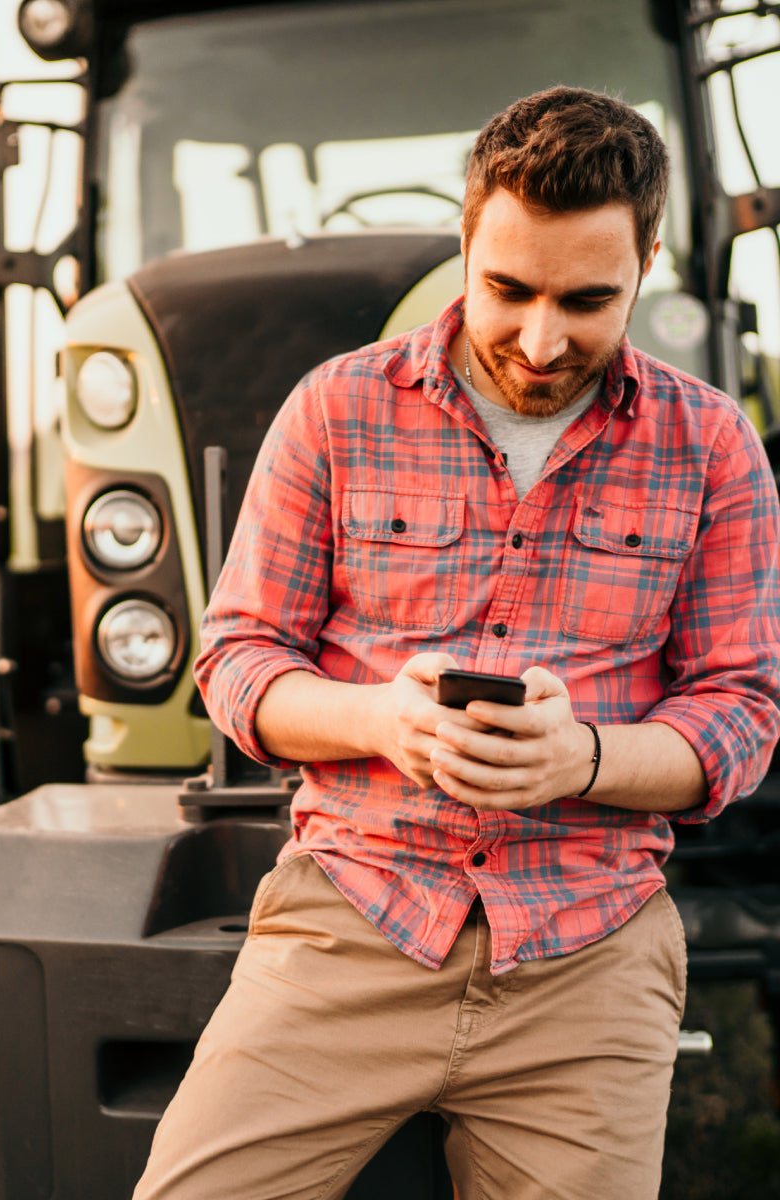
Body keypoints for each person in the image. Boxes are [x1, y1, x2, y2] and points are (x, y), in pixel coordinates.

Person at [132, 87, 780, 1200]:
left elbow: (742, 713)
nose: (541, 339)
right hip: (351, 920)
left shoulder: (716, 447)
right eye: (509, 289)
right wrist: (381, 718)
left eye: (588, 300)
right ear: (467, 238)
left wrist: (581, 760)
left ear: (649, 263)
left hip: (591, 949)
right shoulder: (336, 409)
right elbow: (237, 659)